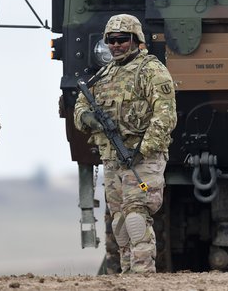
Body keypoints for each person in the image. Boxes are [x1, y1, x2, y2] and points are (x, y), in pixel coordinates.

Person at [74, 14, 177, 274]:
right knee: (119, 223)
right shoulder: (104, 74)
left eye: (122, 39)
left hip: (141, 161)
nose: (116, 45)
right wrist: (89, 119)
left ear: (136, 40)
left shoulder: (151, 70)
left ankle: (143, 274)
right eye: (111, 40)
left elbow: (165, 115)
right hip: (112, 160)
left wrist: (141, 150)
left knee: (136, 216)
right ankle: (128, 275)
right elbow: (80, 107)